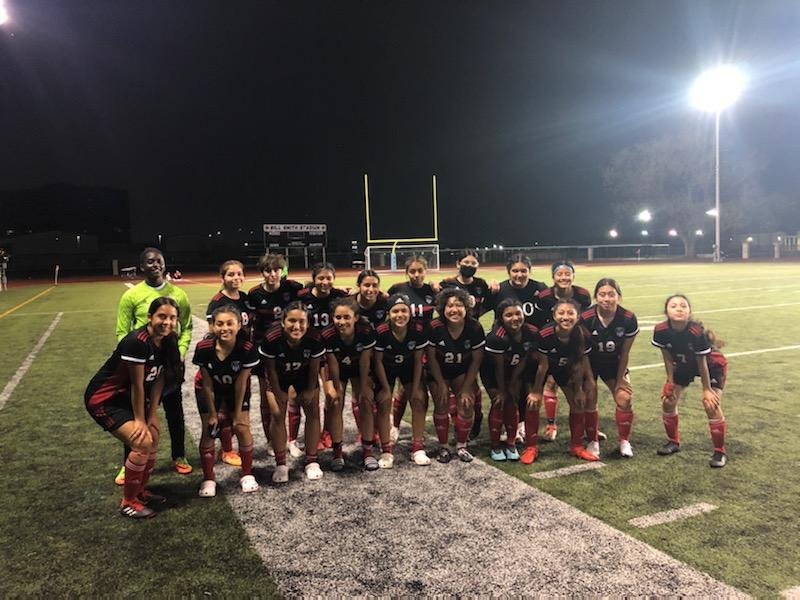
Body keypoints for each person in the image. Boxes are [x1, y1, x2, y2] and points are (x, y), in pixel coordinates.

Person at [85, 297, 180, 518]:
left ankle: (140, 491)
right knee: (141, 441)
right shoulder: (137, 342)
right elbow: (138, 385)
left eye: (172, 318)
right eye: (162, 316)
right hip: (105, 399)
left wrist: (152, 414)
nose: (167, 322)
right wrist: (139, 419)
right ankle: (128, 502)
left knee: (153, 435)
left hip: (126, 398)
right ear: (150, 317)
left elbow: (158, 380)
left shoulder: (167, 341)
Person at [113, 247, 193, 485]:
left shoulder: (178, 294)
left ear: (165, 264)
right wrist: (133, 359)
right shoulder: (131, 296)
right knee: (136, 417)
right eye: (149, 262)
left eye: (159, 261)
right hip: (142, 367)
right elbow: (122, 331)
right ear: (142, 267)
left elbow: (186, 327)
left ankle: (179, 455)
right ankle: (129, 464)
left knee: (174, 412)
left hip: (169, 363)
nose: (155, 265)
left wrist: (180, 352)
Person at [652, 294, 729, 468]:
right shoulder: (661, 330)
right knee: (668, 402)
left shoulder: (696, 332)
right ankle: (673, 441)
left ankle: (719, 451)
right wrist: (670, 382)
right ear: (666, 311)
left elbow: (702, 363)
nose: (679, 308)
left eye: (683, 306)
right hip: (684, 363)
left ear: (689, 311)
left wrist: (707, 389)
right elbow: (667, 357)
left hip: (711, 365)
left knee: (711, 405)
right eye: (674, 306)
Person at [194, 306, 261, 497]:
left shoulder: (247, 349)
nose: (225, 328)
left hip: (235, 390)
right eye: (220, 323)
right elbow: (206, 382)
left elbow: (241, 383)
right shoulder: (204, 348)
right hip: (209, 389)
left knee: (241, 427)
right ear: (213, 326)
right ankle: (208, 478)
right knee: (209, 429)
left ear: (239, 325)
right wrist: (214, 414)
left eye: (230, 323)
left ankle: (246, 474)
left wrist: (238, 412)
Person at [260, 301, 326, 482]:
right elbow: (270, 369)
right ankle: (281, 463)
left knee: (313, 411)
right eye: (292, 321)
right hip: (278, 375)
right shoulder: (272, 337)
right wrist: (276, 390)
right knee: (277, 413)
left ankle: (312, 460)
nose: (297, 326)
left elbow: (314, 367)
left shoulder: (314, 337)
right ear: (283, 322)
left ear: (308, 323)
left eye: (302, 321)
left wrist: (311, 389)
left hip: (304, 374)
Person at [248, 254, 304, 458]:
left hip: (291, 349)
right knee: (267, 398)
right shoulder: (254, 294)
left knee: (293, 396)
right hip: (266, 352)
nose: (272, 274)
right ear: (262, 272)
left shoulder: (293, 288)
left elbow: (317, 292)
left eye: (276, 270)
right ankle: (271, 440)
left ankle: (292, 440)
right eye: (267, 270)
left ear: (282, 270)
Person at [533, 298, 598, 462]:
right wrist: (535, 391)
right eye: (561, 313)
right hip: (543, 368)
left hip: (565, 368)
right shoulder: (545, 334)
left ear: (578, 316)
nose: (565, 317)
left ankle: (576, 446)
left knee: (578, 404)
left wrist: (578, 390)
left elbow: (579, 363)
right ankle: (531, 446)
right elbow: (542, 365)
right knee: (532, 402)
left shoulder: (582, 334)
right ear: (554, 315)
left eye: (570, 313)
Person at [533, 261, 592, 442]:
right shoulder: (544, 296)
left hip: (574, 344)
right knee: (550, 383)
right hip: (549, 343)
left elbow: (586, 320)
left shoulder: (582, 295)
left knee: (581, 387)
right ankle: (551, 424)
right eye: (560, 274)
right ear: (553, 277)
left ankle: (589, 429)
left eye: (568, 274)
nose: (564, 277)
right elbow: (537, 320)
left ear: (573, 276)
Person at [580, 278, 639, 458]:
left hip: (614, 364)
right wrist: (589, 379)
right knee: (589, 397)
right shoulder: (586, 318)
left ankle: (624, 440)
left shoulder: (628, 318)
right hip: (590, 363)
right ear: (596, 297)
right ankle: (593, 439)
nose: (607, 298)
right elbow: (582, 352)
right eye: (602, 294)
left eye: (611, 294)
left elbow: (625, 353)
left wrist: (621, 378)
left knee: (624, 398)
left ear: (619, 297)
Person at [205, 260, 254, 467]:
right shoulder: (217, 301)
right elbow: (212, 333)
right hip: (225, 360)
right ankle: (227, 449)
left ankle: (232, 447)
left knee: (240, 406)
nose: (235, 278)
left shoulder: (245, 298)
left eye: (239, 274)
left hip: (242, 357)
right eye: (230, 274)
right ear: (222, 277)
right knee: (224, 408)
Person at [427, 287, 485, 463]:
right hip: (438, 372)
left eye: (459, 305)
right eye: (449, 305)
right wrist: (441, 384)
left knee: (467, 403)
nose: (454, 309)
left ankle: (461, 445)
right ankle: (444, 446)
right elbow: (430, 359)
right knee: (441, 401)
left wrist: (468, 387)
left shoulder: (474, 326)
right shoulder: (435, 327)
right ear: (443, 308)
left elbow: (476, 360)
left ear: (466, 307)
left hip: (461, 371)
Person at [440, 249, 493, 438]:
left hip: (473, 335)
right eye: (466, 263)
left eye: (473, 263)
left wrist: (476, 317)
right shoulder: (447, 284)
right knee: (457, 383)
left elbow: (492, 302)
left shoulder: (481, 285)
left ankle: (476, 417)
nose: (469, 266)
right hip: (452, 337)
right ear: (458, 264)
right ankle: (460, 421)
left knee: (472, 383)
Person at [322, 298, 380, 470]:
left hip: (358, 369)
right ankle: (337, 451)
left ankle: (368, 450)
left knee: (366, 401)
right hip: (337, 370)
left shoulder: (366, 331)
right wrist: (336, 390)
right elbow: (332, 366)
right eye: (338, 318)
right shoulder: (327, 334)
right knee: (335, 402)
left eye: (346, 317)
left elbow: (364, 362)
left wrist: (363, 388)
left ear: (355, 317)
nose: (342, 322)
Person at [373, 294, 431, 466]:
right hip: (386, 369)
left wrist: (414, 389)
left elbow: (419, 361)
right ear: (389, 313)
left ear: (410, 312)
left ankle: (417, 447)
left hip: (409, 367)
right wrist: (384, 388)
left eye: (404, 311)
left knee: (419, 399)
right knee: (383, 402)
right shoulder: (381, 331)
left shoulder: (418, 330)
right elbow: (377, 362)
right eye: (395, 311)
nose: (400, 315)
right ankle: (386, 450)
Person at [298, 262, 349, 450]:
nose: (324, 281)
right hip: (308, 353)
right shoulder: (302, 297)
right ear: (314, 280)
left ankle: (328, 431)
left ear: (334, 280)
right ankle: (301, 437)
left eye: (328, 278)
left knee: (332, 395)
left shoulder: (340, 296)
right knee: (306, 396)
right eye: (320, 278)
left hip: (331, 354)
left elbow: (357, 302)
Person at [482, 299, 539, 462]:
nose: (514, 318)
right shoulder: (497, 337)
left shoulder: (531, 332)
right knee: (500, 401)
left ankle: (511, 442)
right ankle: (494, 445)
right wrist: (501, 389)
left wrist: (513, 382)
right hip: (492, 372)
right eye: (509, 315)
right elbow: (498, 366)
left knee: (513, 401)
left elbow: (523, 359)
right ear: (501, 318)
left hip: (514, 370)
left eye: (518, 313)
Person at [387, 256, 438, 434]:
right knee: (406, 386)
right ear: (406, 272)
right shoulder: (397, 289)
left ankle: (401, 425)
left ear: (426, 271)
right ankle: (395, 426)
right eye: (412, 271)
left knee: (417, 386)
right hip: (404, 345)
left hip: (427, 345)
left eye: (420, 271)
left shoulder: (432, 291)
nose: (416, 275)